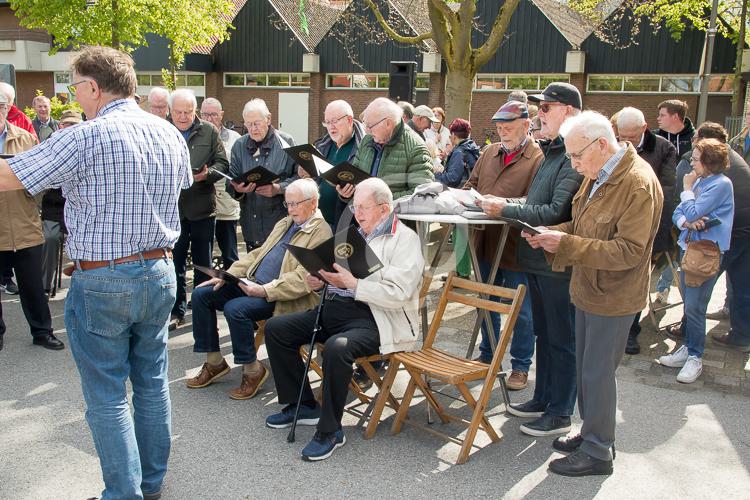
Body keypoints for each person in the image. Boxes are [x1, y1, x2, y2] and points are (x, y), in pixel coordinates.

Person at [0, 45, 191, 500]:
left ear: (92, 87)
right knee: (150, 383)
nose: (73, 96)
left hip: (104, 276)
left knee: (106, 394)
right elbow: (181, 184)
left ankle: (124, 493)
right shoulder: (167, 133)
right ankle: (150, 484)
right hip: (160, 268)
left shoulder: (85, 135)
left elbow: (12, 178)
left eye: (75, 87)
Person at [524, 110, 663, 477]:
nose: (573, 164)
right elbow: (586, 224)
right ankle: (592, 434)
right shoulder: (600, 171)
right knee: (589, 370)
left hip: (614, 294)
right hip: (589, 287)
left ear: (602, 144)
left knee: (598, 373)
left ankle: (599, 451)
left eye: (577, 155)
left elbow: (629, 251)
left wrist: (565, 242)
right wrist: (550, 233)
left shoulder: (635, 182)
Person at [263, 177, 424, 461]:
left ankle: (330, 431)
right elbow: (337, 276)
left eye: (363, 207)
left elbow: (399, 294)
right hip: (335, 308)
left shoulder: (405, 240)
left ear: (384, 210)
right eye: (354, 207)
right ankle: (302, 406)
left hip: (377, 318)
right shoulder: (354, 234)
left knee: (338, 347)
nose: (357, 213)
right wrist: (321, 280)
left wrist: (354, 285)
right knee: (277, 328)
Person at [482, 82, 583, 437]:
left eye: (545, 108)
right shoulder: (554, 150)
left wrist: (505, 208)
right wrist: (511, 207)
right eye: (538, 108)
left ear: (567, 111)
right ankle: (543, 399)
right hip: (536, 257)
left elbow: (556, 210)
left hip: (556, 262)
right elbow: (536, 200)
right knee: (544, 333)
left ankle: (560, 412)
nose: (537, 114)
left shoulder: (573, 152)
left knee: (561, 337)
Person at [188, 178, 332, 399]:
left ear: (313, 203)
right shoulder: (286, 223)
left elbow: (304, 279)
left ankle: (252, 370)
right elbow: (258, 254)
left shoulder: (321, 232)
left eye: (296, 203)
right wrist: (230, 275)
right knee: (201, 295)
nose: (291, 208)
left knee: (236, 308)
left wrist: (265, 290)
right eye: (288, 203)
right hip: (253, 282)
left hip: (280, 294)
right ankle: (215, 362)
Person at [467, 100, 542, 390]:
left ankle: (520, 366)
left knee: (522, 310)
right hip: (484, 241)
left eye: (508, 128)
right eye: (499, 128)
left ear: (526, 126)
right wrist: (462, 197)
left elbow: (536, 202)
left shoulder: (538, 158)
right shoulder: (488, 152)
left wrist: (502, 205)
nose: (503, 133)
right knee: (485, 301)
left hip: (516, 245)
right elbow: (470, 185)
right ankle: (488, 356)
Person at [658, 139, 734, 382]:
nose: (691, 161)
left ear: (709, 160)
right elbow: (680, 212)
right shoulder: (701, 181)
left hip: (706, 254)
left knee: (696, 306)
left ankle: (695, 357)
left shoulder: (721, 185)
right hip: (689, 249)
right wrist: (686, 221)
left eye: (695, 157)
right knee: (689, 304)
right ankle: (688, 349)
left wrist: (688, 192)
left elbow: (690, 209)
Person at [0, 93, 60, 352]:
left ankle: (42, 332)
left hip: (25, 224)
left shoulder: (24, 138)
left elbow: (42, 180)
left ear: (7, 108)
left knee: (33, 286)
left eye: (1, 106)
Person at [617, 107, 677, 354]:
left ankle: (631, 332)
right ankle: (617, 329)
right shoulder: (614, 143)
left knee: (637, 280)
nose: (626, 142)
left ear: (643, 129)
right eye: (622, 136)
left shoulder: (664, 149)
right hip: (617, 222)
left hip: (647, 225)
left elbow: (667, 191)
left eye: (631, 137)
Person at [169, 89, 229, 330]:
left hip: (203, 208)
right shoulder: (162, 129)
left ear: (195, 110)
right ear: (170, 111)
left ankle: (204, 312)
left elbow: (223, 163)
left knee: (204, 263)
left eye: (188, 112)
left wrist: (208, 175)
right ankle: (177, 311)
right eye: (178, 112)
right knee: (176, 263)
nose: (183, 117)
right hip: (172, 209)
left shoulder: (209, 130)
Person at [227, 98, 298, 251]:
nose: (253, 129)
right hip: (251, 227)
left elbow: (301, 180)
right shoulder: (239, 145)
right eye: (248, 124)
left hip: (280, 226)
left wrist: (279, 188)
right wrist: (238, 189)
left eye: (257, 123)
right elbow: (231, 179)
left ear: (268, 119)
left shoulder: (286, 142)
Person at [352, 97, 433, 199]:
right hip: (363, 213)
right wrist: (348, 192)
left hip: (393, 214)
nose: (367, 131)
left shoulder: (416, 148)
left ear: (388, 123)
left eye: (370, 126)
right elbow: (355, 175)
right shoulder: (367, 140)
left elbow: (423, 194)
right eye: (365, 125)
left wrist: (381, 200)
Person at [40, 110, 83, 294]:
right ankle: (44, 286)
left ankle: (84, 282)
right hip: (55, 206)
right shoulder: (50, 147)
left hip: (82, 206)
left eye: (75, 125)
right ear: (60, 126)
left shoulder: (88, 145)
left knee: (91, 238)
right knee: (50, 238)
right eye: (68, 125)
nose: (71, 129)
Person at [308, 99, 365, 228]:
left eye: (335, 121)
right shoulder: (322, 145)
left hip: (347, 224)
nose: (331, 127)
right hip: (318, 223)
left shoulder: (364, 146)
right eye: (327, 122)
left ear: (349, 120)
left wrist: (348, 195)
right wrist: (306, 174)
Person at [435, 118, 480, 278]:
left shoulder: (459, 151)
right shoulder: (473, 149)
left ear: (453, 135)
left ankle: (462, 272)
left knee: (459, 235)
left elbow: (453, 178)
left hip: (459, 197)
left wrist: (436, 174)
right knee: (462, 235)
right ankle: (463, 270)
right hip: (470, 196)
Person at [200, 97, 241, 269]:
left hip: (227, 206)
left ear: (222, 114)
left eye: (213, 114)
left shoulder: (234, 138)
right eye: (205, 114)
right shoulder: (197, 137)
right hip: (202, 206)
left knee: (230, 254)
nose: (209, 119)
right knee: (203, 255)